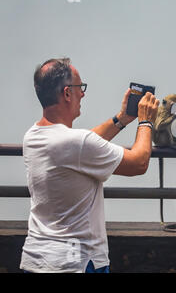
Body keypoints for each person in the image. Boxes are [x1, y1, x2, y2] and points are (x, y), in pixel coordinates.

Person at [20, 58, 159, 273]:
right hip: (77, 263)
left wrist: (122, 119)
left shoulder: (32, 137)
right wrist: (145, 121)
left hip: (36, 259)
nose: (83, 94)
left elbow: (81, 146)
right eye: (79, 88)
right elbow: (139, 162)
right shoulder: (77, 144)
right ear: (67, 93)